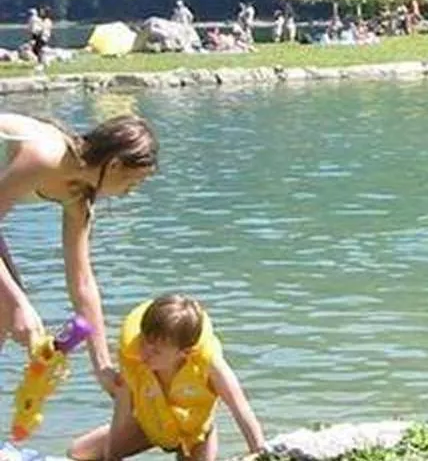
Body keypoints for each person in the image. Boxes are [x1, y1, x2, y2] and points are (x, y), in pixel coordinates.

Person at [0, 114, 159, 395]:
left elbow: (82, 283)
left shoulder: (78, 198)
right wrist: (16, 304)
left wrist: (102, 367)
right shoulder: (44, 155)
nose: (129, 193)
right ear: (114, 165)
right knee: (7, 306)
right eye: (132, 183)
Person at [69, 294, 265, 461]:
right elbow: (122, 417)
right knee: (77, 452)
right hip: (149, 427)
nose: (144, 353)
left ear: (185, 353)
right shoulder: (135, 359)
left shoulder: (209, 364)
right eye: (144, 342)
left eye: (156, 351)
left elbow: (240, 409)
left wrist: (260, 452)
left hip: (194, 435)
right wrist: (112, 456)